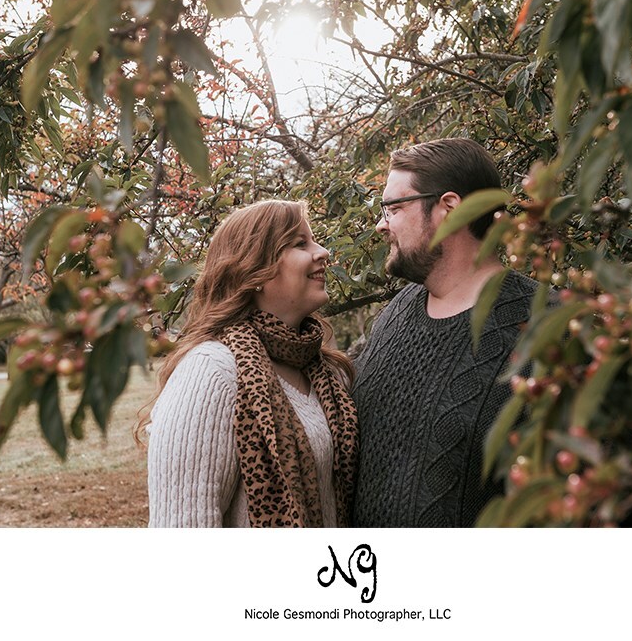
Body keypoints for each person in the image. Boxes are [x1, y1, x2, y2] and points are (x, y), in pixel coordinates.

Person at [350, 138, 548, 528]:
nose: (381, 224)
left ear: (449, 208)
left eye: (394, 208)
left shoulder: (546, 327)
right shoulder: (396, 313)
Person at [139, 199, 358, 527]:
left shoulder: (326, 373)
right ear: (255, 270)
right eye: (300, 243)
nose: (323, 252)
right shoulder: (212, 372)